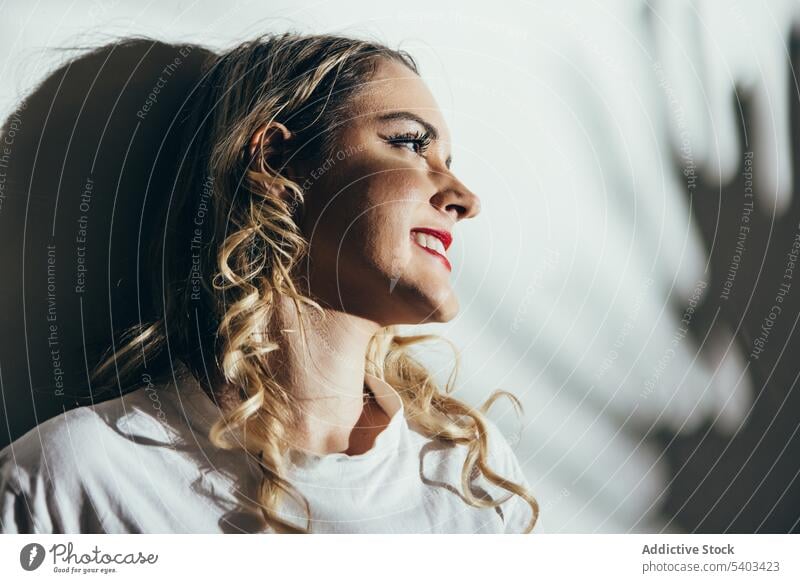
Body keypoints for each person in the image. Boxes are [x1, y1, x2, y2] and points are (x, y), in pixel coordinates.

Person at [0, 32, 538, 534]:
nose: (465, 198)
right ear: (275, 163)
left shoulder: (472, 480)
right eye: (409, 143)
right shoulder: (74, 480)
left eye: (447, 160)